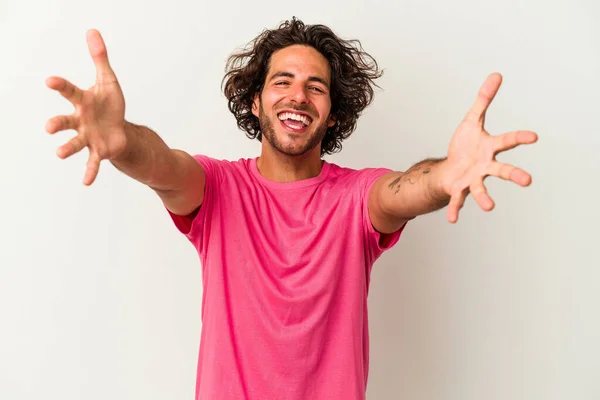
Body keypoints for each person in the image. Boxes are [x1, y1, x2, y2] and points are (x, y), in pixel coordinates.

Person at [45, 17, 537, 400]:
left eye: (316, 87)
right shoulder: (215, 187)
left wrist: (445, 174)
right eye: (282, 81)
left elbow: (404, 191)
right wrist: (123, 141)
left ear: (333, 113)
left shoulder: (355, 199)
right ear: (255, 103)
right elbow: (161, 164)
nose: (297, 95)